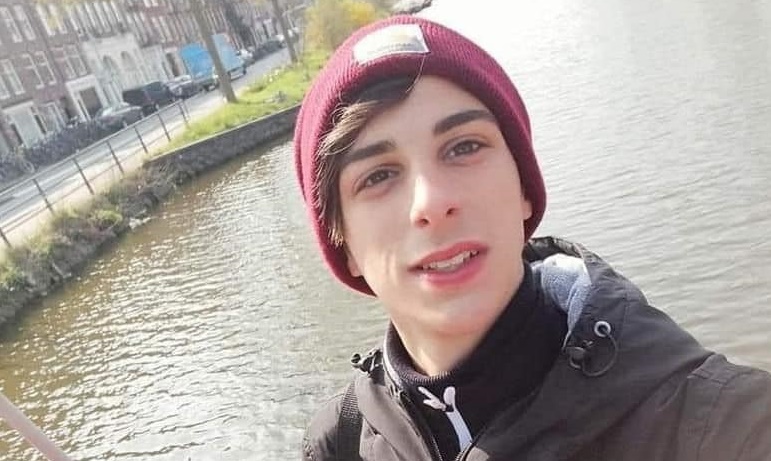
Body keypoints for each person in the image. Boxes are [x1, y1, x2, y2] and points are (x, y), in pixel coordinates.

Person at [292, 15, 771, 461]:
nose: (432, 203)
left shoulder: (722, 428)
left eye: (464, 147)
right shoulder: (340, 442)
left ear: (524, 186)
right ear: (344, 246)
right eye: (378, 176)